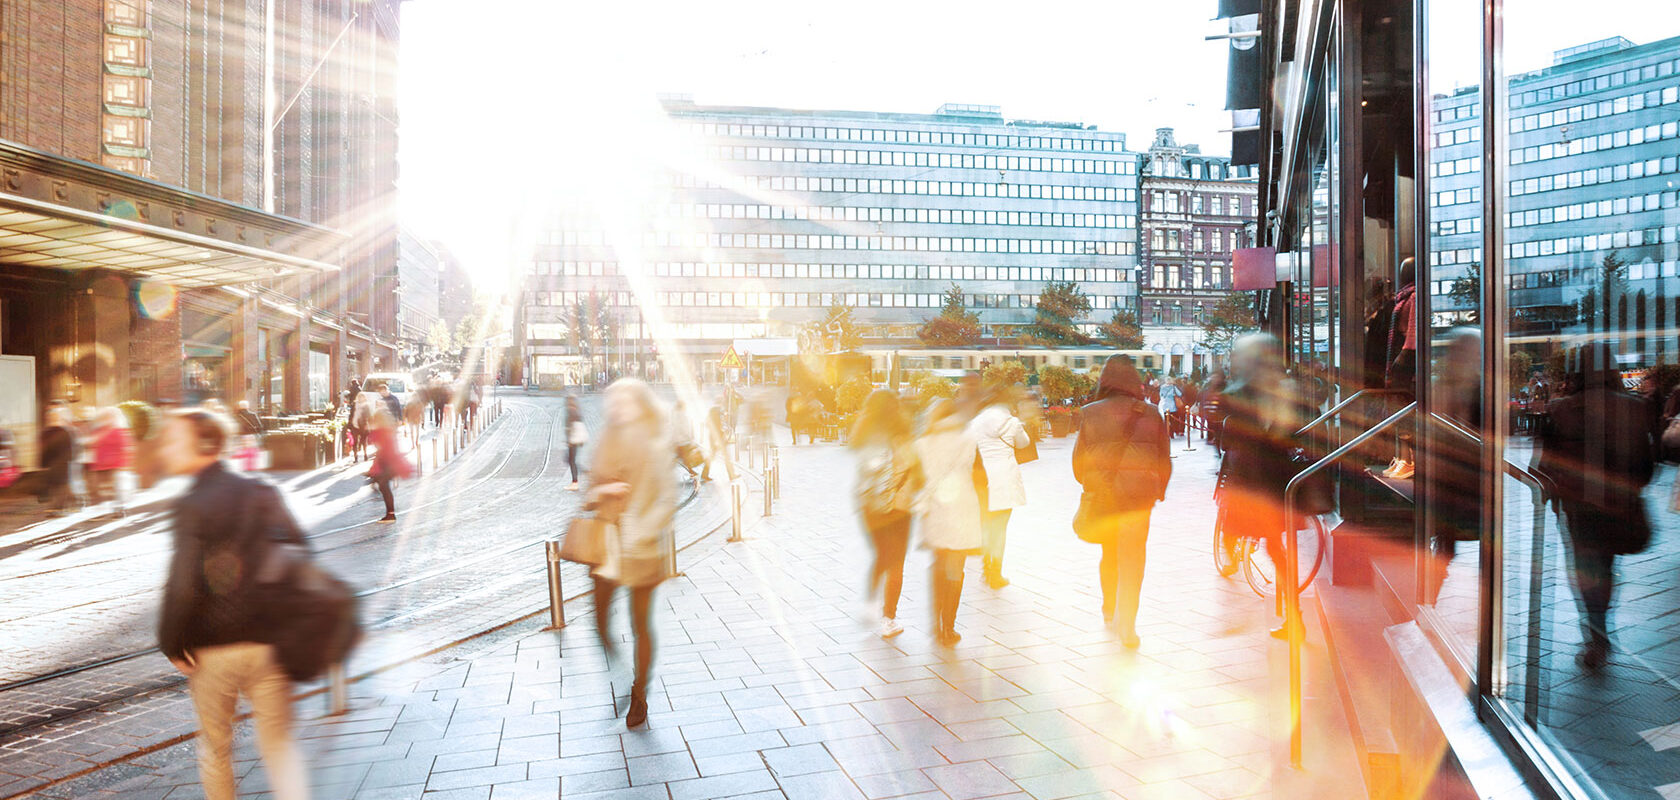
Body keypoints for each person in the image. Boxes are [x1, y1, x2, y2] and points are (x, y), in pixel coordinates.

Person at [155, 409, 309, 800]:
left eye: (174, 440)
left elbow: (183, 581)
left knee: (216, 747)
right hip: (270, 642)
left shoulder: (193, 502)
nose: (165, 448)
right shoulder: (261, 490)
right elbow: (299, 553)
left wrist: (172, 642)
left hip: (214, 648)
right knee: (279, 745)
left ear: (204, 444)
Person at [1539, 343, 1657, 671]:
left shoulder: (1560, 408)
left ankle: (1595, 635)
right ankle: (1601, 630)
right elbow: (1648, 465)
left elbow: (1544, 464)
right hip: (1617, 504)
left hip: (1578, 506)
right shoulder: (1634, 407)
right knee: (1605, 567)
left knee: (1585, 569)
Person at [586, 379, 677, 728]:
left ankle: (639, 695)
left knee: (640, 624)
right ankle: (625, 677)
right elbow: (590, 491)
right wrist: (605, 488)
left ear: (640, 403)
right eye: (613, 400)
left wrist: (643, 531)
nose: (616, 406)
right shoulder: (607, 437)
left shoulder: (656, 440)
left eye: (624, 400)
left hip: (642, 548)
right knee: (599, 623)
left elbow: (667, 499)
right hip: (606, 545)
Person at [1073, 356, 1172, 648]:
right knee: (1133, 560)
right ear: (1134, 380)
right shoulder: (1152, 414)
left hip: (1105, 499)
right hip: (1139, 501)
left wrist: (1094, 484)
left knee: (1109, 554)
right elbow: (1164, 460)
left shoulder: (1089, 413)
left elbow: (1079, 465)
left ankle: (1108, 610)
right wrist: (1157, 492)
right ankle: (1127, 626)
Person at [1217, 333, 1310, 638]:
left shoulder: (1247, 390)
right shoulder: (1284, 387)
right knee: (1277, 548)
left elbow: (1231, 428)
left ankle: (1294, 620)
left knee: (1263, 542)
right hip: (1280, 481)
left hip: (1258, 482)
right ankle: (1293, 617)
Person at [850, 389, 922, 639]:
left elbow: (863, 474)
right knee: (896, 562)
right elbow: (917, 471)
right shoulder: (903, 436)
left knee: (881, 556)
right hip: (898, 507)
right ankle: (888, 618)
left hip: (869, 507)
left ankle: (870, 604)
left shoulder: (863, 436)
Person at [914, 398, 982, 646]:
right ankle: (948, 627)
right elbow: (980, 476)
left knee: (938, 566)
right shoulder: (968, 440)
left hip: (934, 510)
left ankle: (935, 623)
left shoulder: (921, 443)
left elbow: (917, 480)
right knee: (955, 569)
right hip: (962, 509)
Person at [970, 386, 1029, 589]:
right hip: (1004, 480)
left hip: (983, 479)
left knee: (986, 524)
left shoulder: (975, 422)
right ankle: (995, 573)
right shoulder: (1012, 422)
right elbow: (1024, 444)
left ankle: (986, 567)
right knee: (1000, 528)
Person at [86, 407, 134, 517]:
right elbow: (91, 443)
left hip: (116, 465)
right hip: (100, 465)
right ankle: (104, 511)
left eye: (110, 416)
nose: (108, 418)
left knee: (117, 489)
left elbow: (126, 448)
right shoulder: (99, 430)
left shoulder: (120, 431)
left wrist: (126, 464)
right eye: (106, 416)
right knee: (102, 490)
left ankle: (119, 510)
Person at [366, 409, 411, 523]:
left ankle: (390, 515)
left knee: (384, 487)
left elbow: (375, 443)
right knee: (383, 487)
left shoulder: (381, 431)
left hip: (386, 463)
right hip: (389, 462)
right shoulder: (389, 430)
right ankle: (390, 514)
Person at [37, 402, 79, 514]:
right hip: (53, 464)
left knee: (62, 485)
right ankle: (69, 503)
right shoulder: (47, 432)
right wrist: (42, 463)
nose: (51, 416)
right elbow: (43, 449)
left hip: (63, 464)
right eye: (50, 414)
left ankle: (58, 507)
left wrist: (70, 461)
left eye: (54, 414)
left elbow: (72, 449)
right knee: (58, 485)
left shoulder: (66, 431)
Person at [699, 404, 734, 483]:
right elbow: (720, 428)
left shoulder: (712, 418)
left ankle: (705, 474)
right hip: (718, 439)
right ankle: (731, 475)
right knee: (724, 456)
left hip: (716, 439)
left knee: (715, 456)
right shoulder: (717, 418)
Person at [564, 396, 587, 491]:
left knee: (571, 460)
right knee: (570, 460)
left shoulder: (571, 411)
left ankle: (575, 482)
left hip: (572, 440)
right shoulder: (576, 411)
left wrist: (569, 439)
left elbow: (571, 427)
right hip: (575, 440)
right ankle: (581, 474)